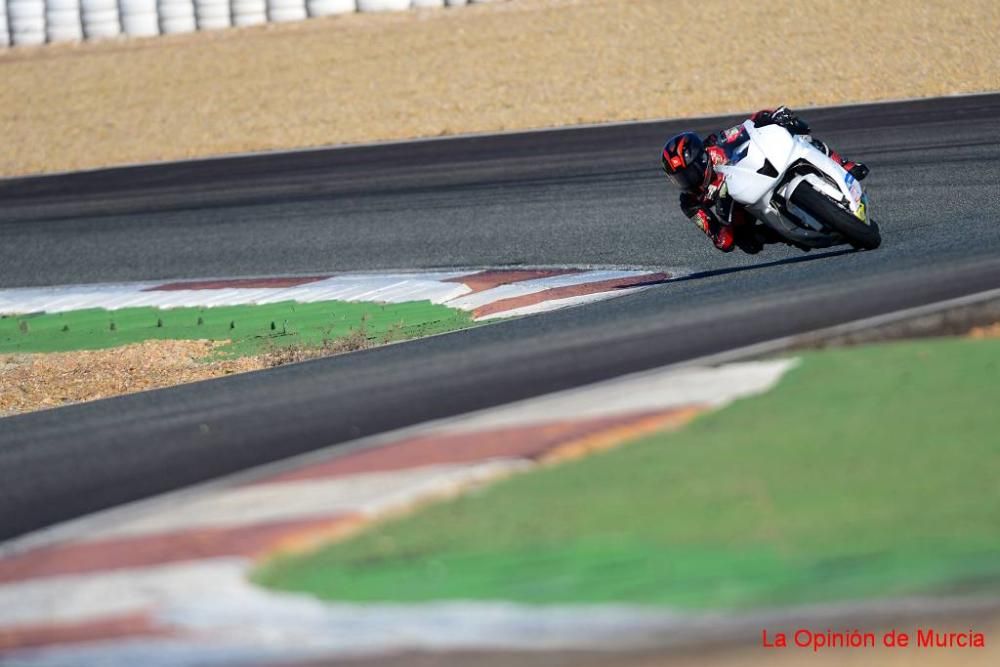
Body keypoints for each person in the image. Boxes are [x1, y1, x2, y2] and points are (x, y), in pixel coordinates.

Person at [660, 106, 868, 253]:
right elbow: (720, 239)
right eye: (679, 178)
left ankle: (843, 163)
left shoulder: (715, 144)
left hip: (754, 172)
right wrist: (724, 229)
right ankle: (787, 234)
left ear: (702, 158)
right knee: (747, 243)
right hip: (739, 206)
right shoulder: (690, 202)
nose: (687, 181)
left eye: (688, 173)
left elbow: (748, 126)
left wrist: (772, 116)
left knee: (797, 134)